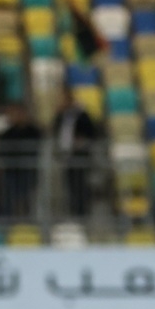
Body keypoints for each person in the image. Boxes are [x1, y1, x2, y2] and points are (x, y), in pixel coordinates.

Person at [53, 87, 98, 216]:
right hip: (66, 154)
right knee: (70, 183)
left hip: (80, 154)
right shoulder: (61, 115)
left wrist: (82, 140)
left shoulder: (82, 115)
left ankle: (83, 211)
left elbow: (92, 132)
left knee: (82, 183)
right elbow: (55, 129)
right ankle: (73, 210)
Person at [0, 104, 42, 217]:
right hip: (12, 170)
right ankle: (9, 220)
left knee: (27, 197)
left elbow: (37, 146)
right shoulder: (8, 132)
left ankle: (27, 220)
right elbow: (1, 149)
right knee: (10, 197)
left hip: (27, 169)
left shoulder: (33, 131)